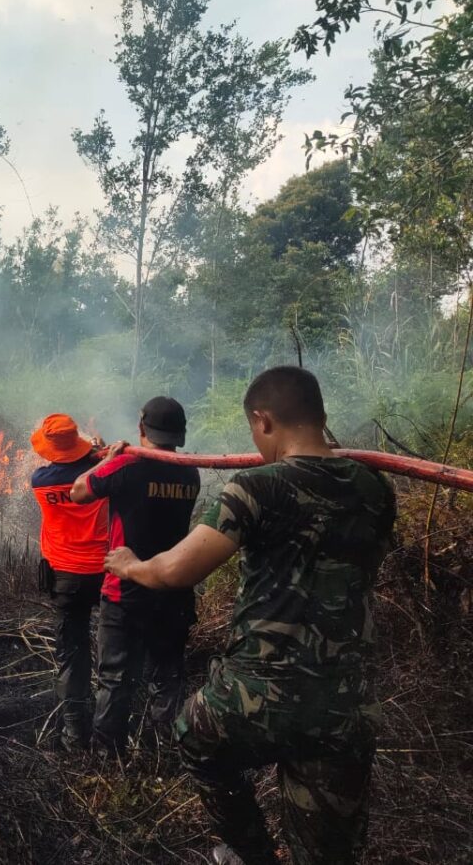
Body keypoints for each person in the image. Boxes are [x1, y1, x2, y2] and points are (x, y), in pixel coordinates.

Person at [102, 366, 396, 865]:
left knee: (193, 734)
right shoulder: (375, 488)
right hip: (344, 704)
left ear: (262, 421)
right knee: (325, 851)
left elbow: (176, 570)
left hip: (257, 695)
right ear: (321, 417)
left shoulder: (256, 488)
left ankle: (248, 852)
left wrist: (131, 564)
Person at [70, 396, 200, 754]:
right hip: (173, 592)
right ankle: (167, 755)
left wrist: (112, 458)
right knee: (167, 680)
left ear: (142, 428)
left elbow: (78, 491)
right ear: (180, 434)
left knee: (114, 679)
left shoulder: (127, 465)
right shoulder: (190, 471)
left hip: (125, 592)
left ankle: (106, 759)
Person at [29, 413, 109, 751]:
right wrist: (100, 453)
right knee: (113, 650)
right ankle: (112, 730)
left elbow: (62, 469)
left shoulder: (40, 481)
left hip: (66, 578)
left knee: (71, 652)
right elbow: (99, 470)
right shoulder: (102, 476)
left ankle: (75, 733)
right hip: (107, 572)